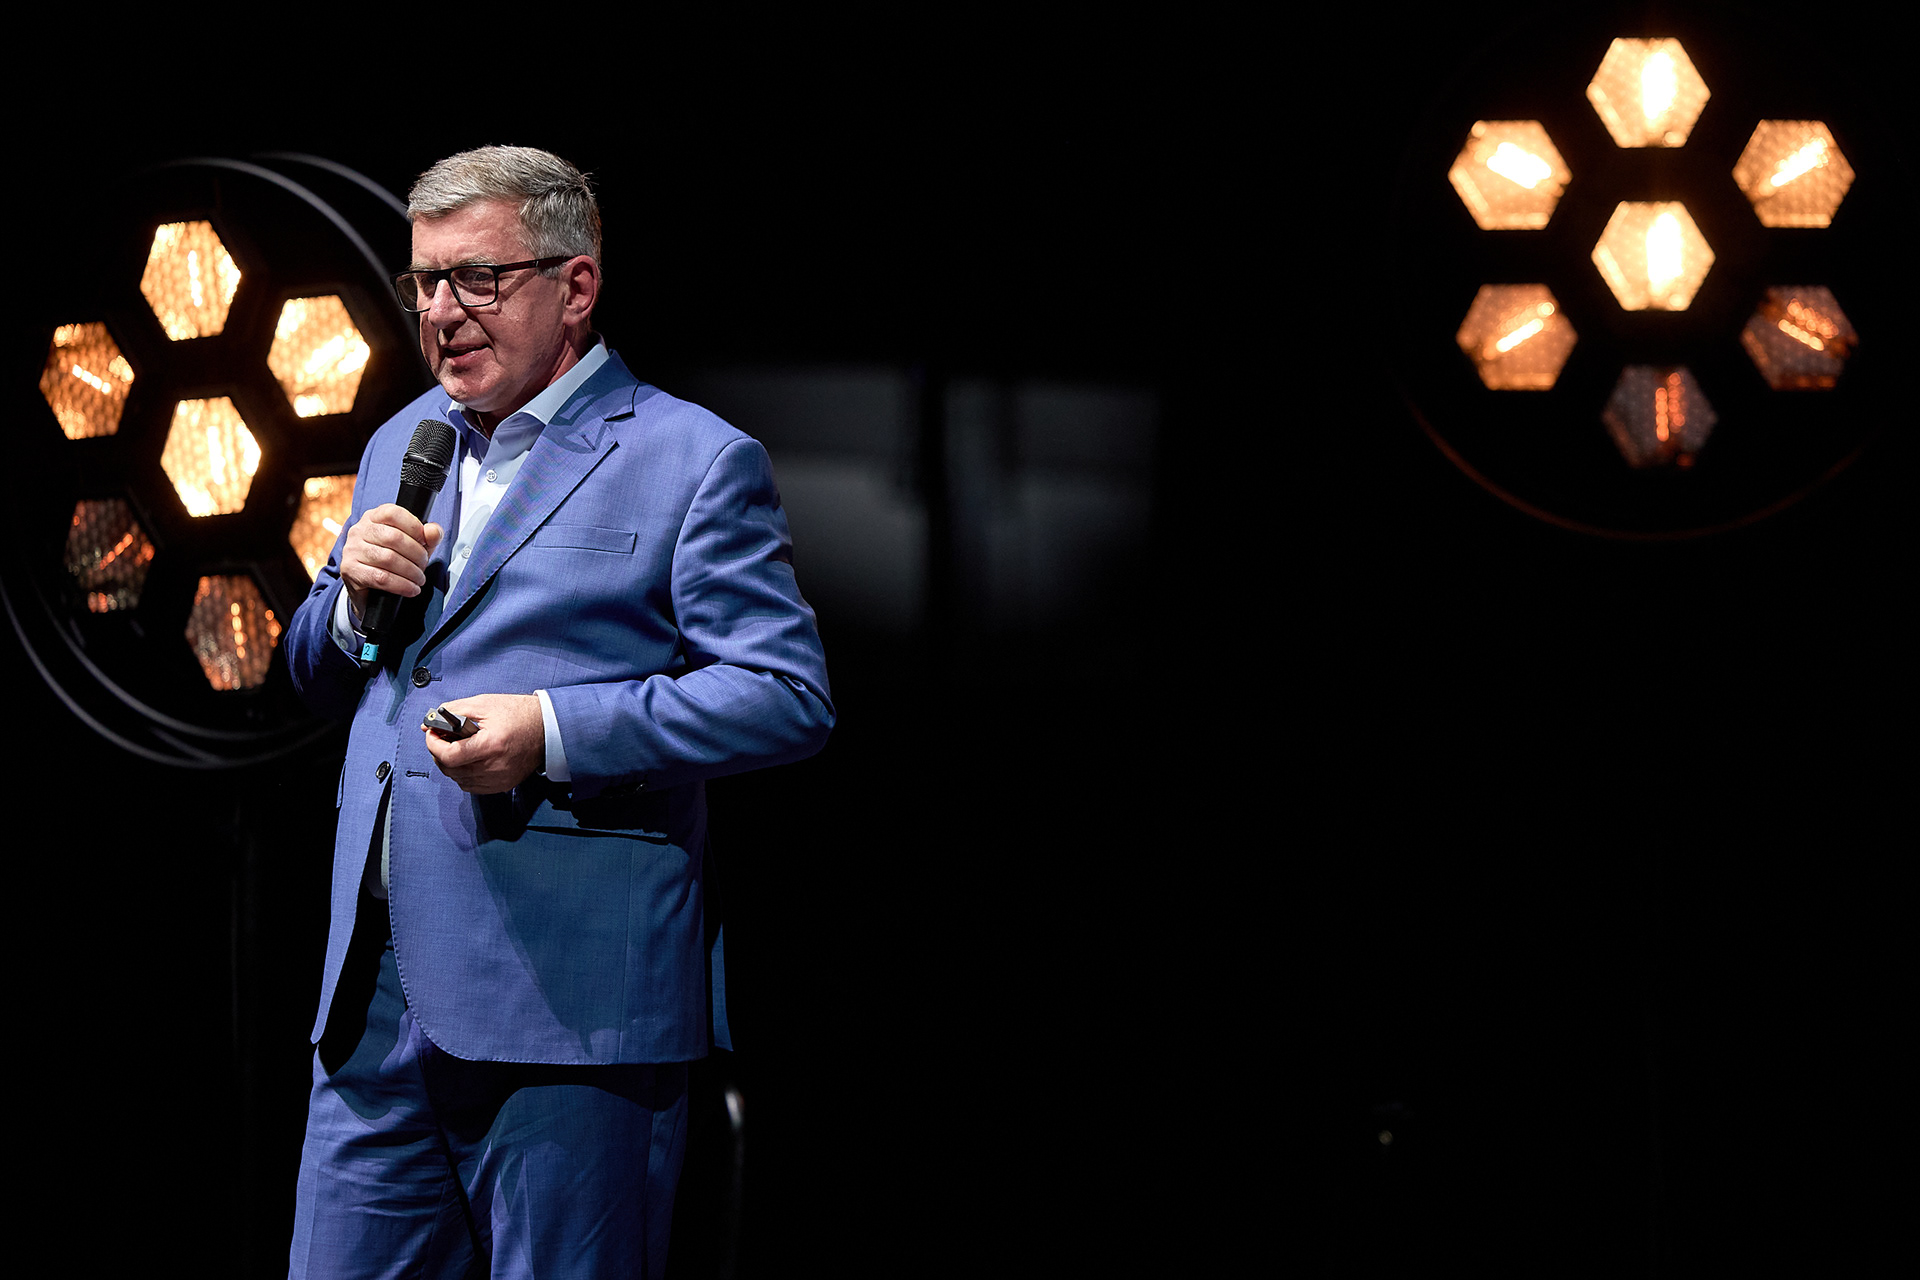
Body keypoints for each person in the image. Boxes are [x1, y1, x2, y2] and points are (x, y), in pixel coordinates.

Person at [283, 145, 833, 1279]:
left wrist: (555, 730)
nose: (442, 313)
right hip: (375, 1000)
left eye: (477, 279)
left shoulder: (693, 458)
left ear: (575, 287)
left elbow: (785, 693)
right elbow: (322, 671)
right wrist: (346, 610)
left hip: (570, 1008)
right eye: (425, 282)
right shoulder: (400, 441)